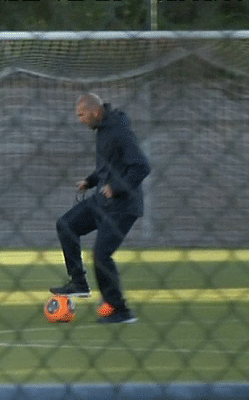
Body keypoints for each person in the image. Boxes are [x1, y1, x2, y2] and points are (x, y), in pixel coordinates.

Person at [50, 93, 151, 324]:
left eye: (81, 115)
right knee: (66, 225)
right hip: (102, 201)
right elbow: (110, 165)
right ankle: (79, 283)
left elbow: (141, 167)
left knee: (102, 255)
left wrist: (115, 187)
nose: (79, 120)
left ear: (95, 112)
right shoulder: (103, 130)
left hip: (123, 206)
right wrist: (91, 180)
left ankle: (120, 310)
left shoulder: (119, 130)